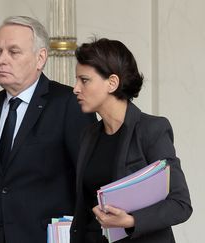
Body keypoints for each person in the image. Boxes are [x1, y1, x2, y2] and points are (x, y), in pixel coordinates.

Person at [0, 16, 96, 243]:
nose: (2, 59)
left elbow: (88, 183)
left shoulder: (69, 104)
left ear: (40, 58)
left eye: (13, 51)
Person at [70, 38, 192, 243]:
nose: (75, 88)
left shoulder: (152, 130)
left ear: (112, 83)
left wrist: (130, 220)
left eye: (84, 80)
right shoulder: (88, 135)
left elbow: (180, 204)